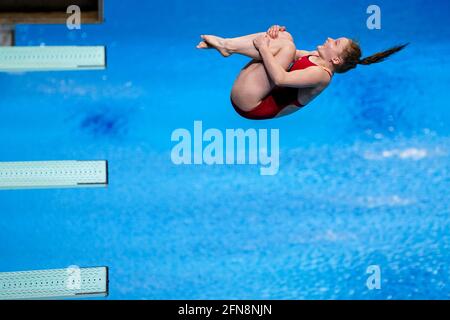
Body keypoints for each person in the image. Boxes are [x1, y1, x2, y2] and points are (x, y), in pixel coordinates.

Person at [197, 25, 408, 120]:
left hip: (252, 105)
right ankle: (225, 45)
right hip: (254, 93)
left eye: (334, 42)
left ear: (335, 59)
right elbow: (282, 49)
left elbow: (281, 78)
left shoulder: (322, 75)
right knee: (286, 38)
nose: (328, 38)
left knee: (287, 48)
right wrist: (273, 35)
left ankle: (226, 46)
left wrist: (263, 47)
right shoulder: (315, 58)